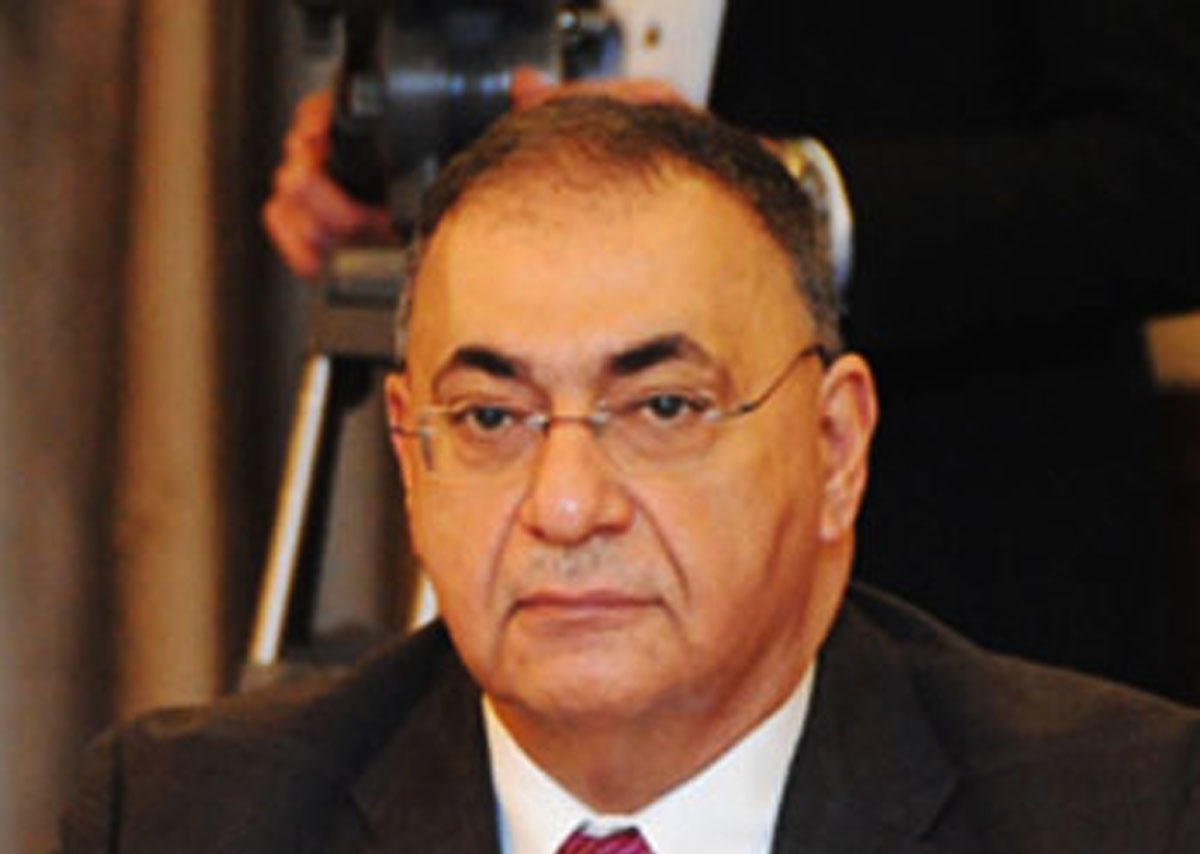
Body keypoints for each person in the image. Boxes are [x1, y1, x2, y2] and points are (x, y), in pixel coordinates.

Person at [37, 97, 1200, 854]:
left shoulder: (1129, 835)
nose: (566, 505)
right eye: (490, 419)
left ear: (836, 446)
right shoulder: (185, 839)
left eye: (662, 409)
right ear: (409, 454)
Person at [264, 0, 1200, 701]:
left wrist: (788, 194)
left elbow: (1168, 167)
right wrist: (399, 147)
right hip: (538, 609)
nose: (571, 508)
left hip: (955, 543)